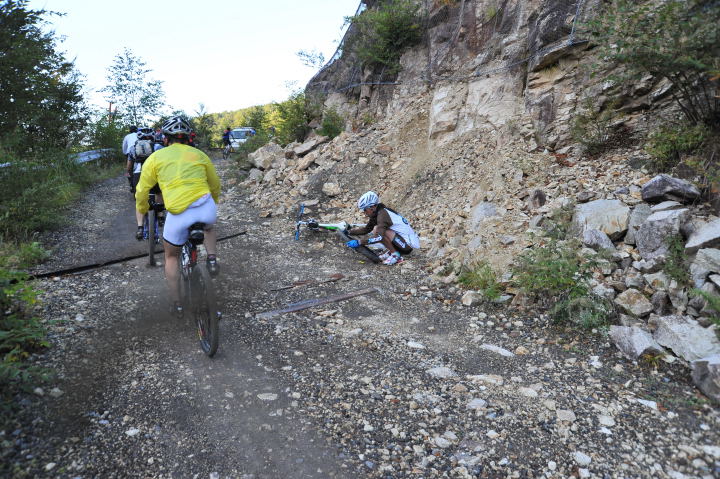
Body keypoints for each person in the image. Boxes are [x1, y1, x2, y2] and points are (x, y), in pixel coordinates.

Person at [135, 116, 221, 316]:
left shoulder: (156, 158)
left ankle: (177, 304)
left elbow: (142, 190)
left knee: (171, 256)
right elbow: (215, 183)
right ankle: (212, 259)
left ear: (165, 138)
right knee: (208, 227)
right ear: (188, 138)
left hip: (179, 213)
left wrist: (144, 206)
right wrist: (213, 203)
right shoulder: (198, 154)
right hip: (205, 207)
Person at [345, 191, 420, 265]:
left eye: (365, 210)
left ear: (371, 207)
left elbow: (379, 237)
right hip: (403, 241)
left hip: (409, 246)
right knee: (376, 229)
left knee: (378, 231)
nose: (365, 213)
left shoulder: (382, 215)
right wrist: (349, 232)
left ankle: (395, 255)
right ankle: (392, 251)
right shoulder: (378, 212)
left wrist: (360, 242)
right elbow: (367, 229)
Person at [131, 127, 162, 239]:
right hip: (154, 174)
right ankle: (160, 215)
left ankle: (140, 227)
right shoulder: (158, 147)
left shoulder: (133, 148)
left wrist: (129, 174)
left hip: (138, 174)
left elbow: (129, 165)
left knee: (139, 200)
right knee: (159, 192)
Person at [122, 126, 138, 192]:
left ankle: (131, 184)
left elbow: (124, 147)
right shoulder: (139, 134)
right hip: (139, 152)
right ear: (136, 130)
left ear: (130, 131)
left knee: (128, 170)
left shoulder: (127, 136)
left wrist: (125, 153)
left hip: (130, 153)